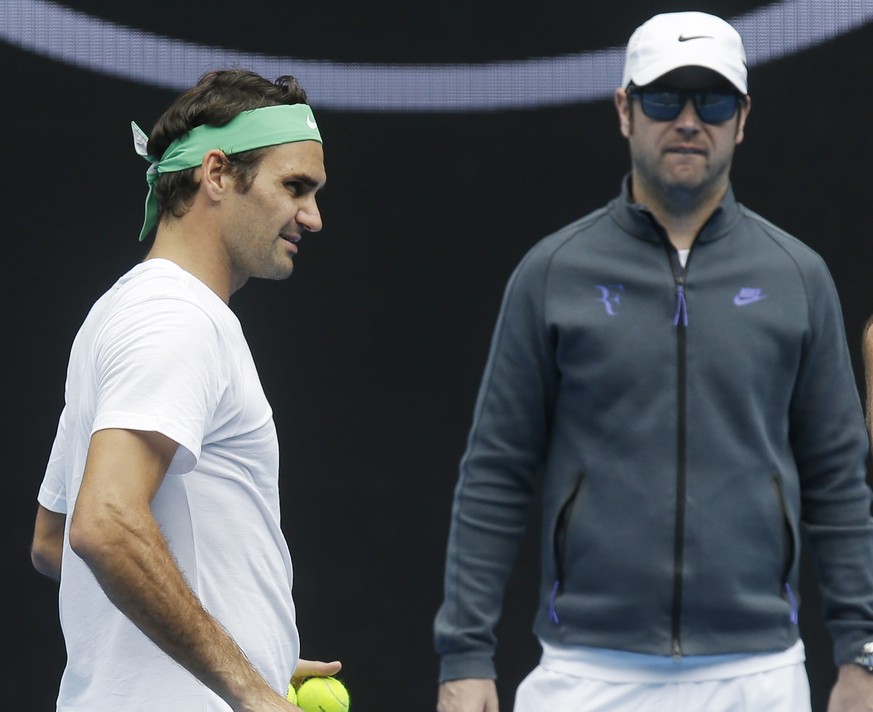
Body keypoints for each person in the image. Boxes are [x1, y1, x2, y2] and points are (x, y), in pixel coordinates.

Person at [434, 11, 873, 712]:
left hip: (757, 675)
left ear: (743, 117)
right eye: (665, 98)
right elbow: (494, 472)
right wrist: (464, 654)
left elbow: (836, 480)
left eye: (714, 101)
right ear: (623, 109)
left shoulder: (798, 276)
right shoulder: (553, 272)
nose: (689, 120)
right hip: (584, 672)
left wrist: (861, 653)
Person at [30, 68, 340, 711]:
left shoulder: (124, 311)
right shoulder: (178, 317)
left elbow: (51, 540)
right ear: (218, 175)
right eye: (295, 187)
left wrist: (244, 637)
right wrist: (249, 686)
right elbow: (103, 525)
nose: (312, 216)